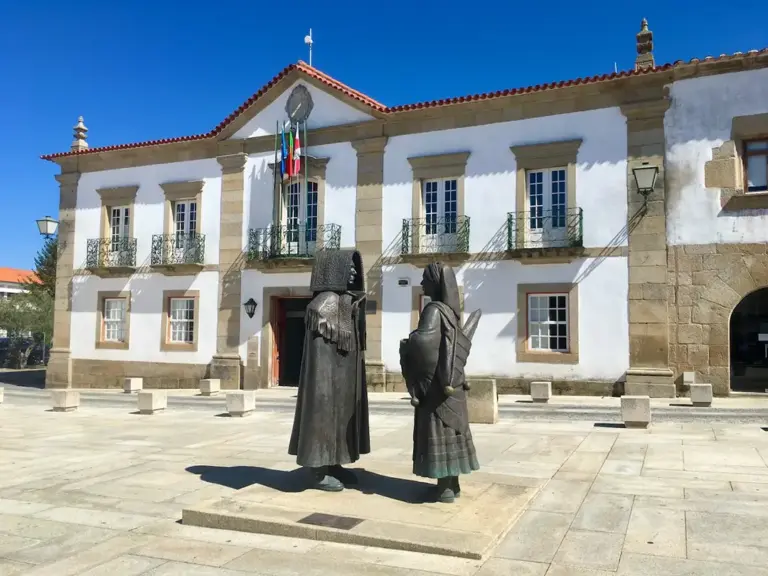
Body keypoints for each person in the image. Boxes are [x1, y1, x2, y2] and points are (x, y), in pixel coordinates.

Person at [288, 249, 370, 492]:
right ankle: (318, 469)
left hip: (343, 376)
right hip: (325, 377)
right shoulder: (323, 304)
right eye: (348, 269)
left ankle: (334, 462)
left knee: (341, 415)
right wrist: (324, 382)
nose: (353, 274)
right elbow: (319, 356)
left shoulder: (344, 301)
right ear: (335, 271)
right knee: (323, 414)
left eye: (355, 269)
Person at [399, 262, 480, 503]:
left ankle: (444, 488)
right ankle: (452, 484)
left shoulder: (433, 311)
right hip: (454, 384)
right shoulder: (450, 313)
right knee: (452, 432)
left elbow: (424, 343)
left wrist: (408, 343)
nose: (422, 283)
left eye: (425, 279)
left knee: (440, 431)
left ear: (435, 283)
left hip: (436, 389)